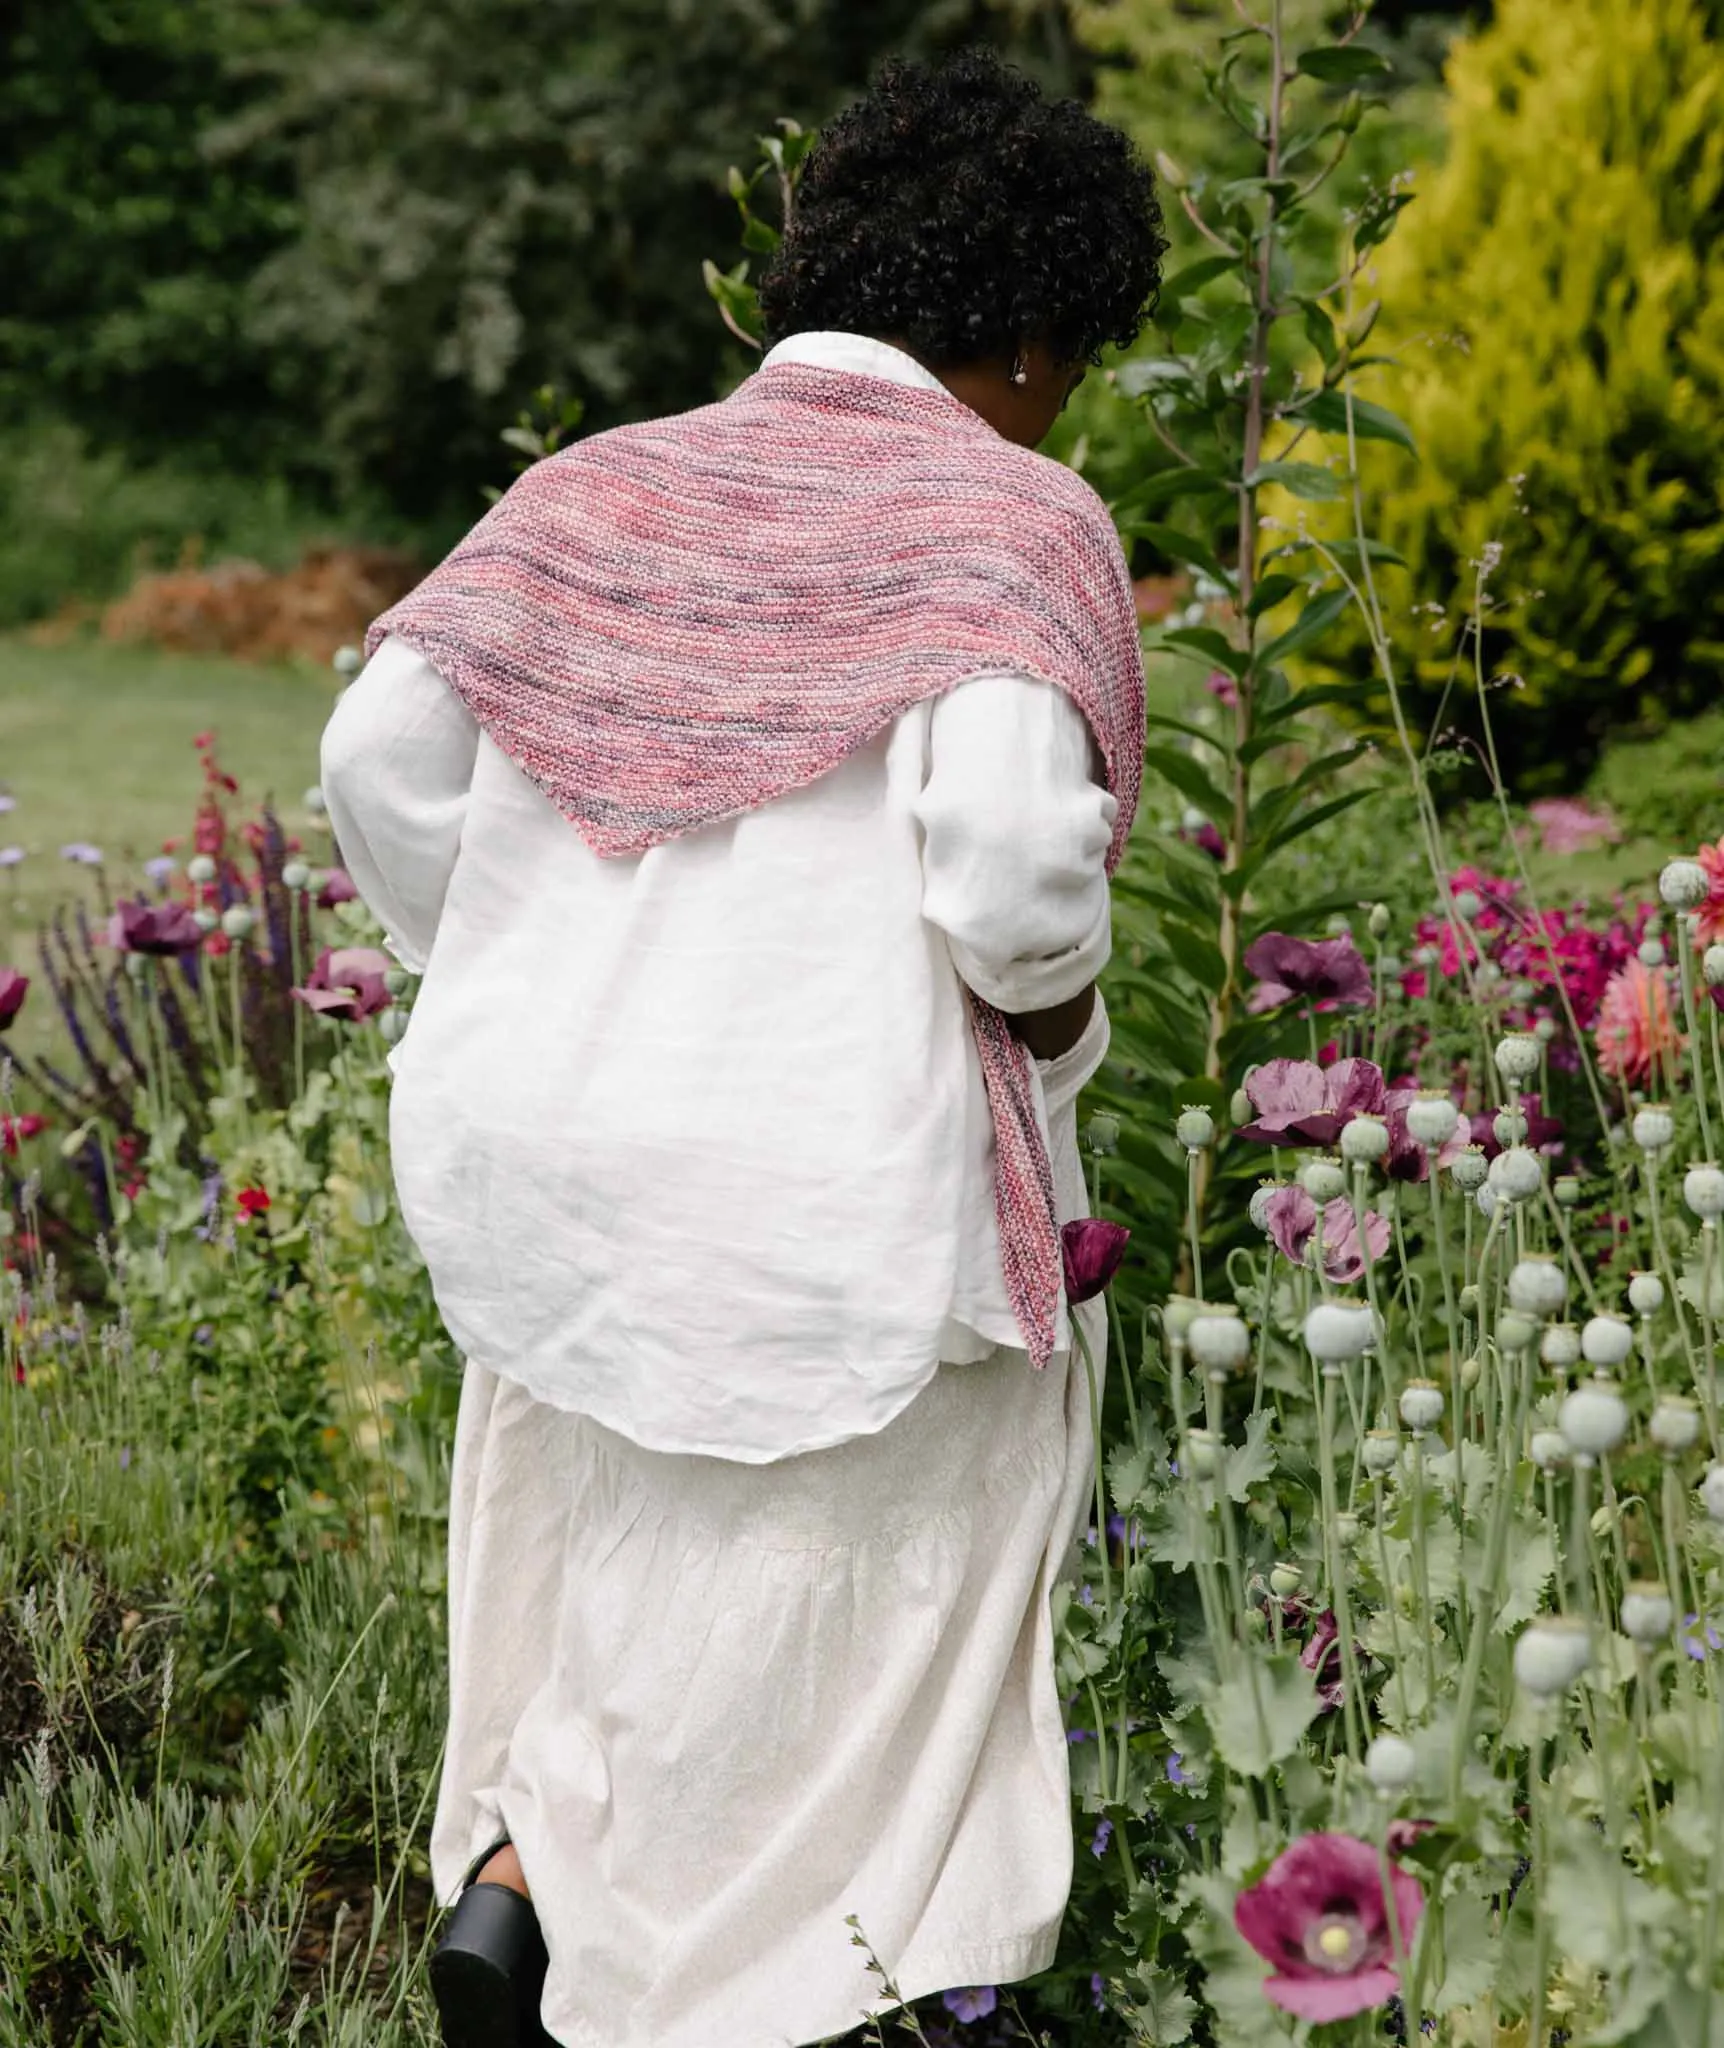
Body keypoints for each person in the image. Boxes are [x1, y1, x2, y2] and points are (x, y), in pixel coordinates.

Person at [319, 44, 1165, 2048]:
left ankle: (530, 1878)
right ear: (1035, 331)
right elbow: (1006, 865)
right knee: (862, 1604)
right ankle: (760, 2000)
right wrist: (1051, 1033)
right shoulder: (1008, 513)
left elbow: (373, 750)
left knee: (613, 1518)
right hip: (828, 1164)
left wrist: (528, 957)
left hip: (546, 1139)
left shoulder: (590, 486)